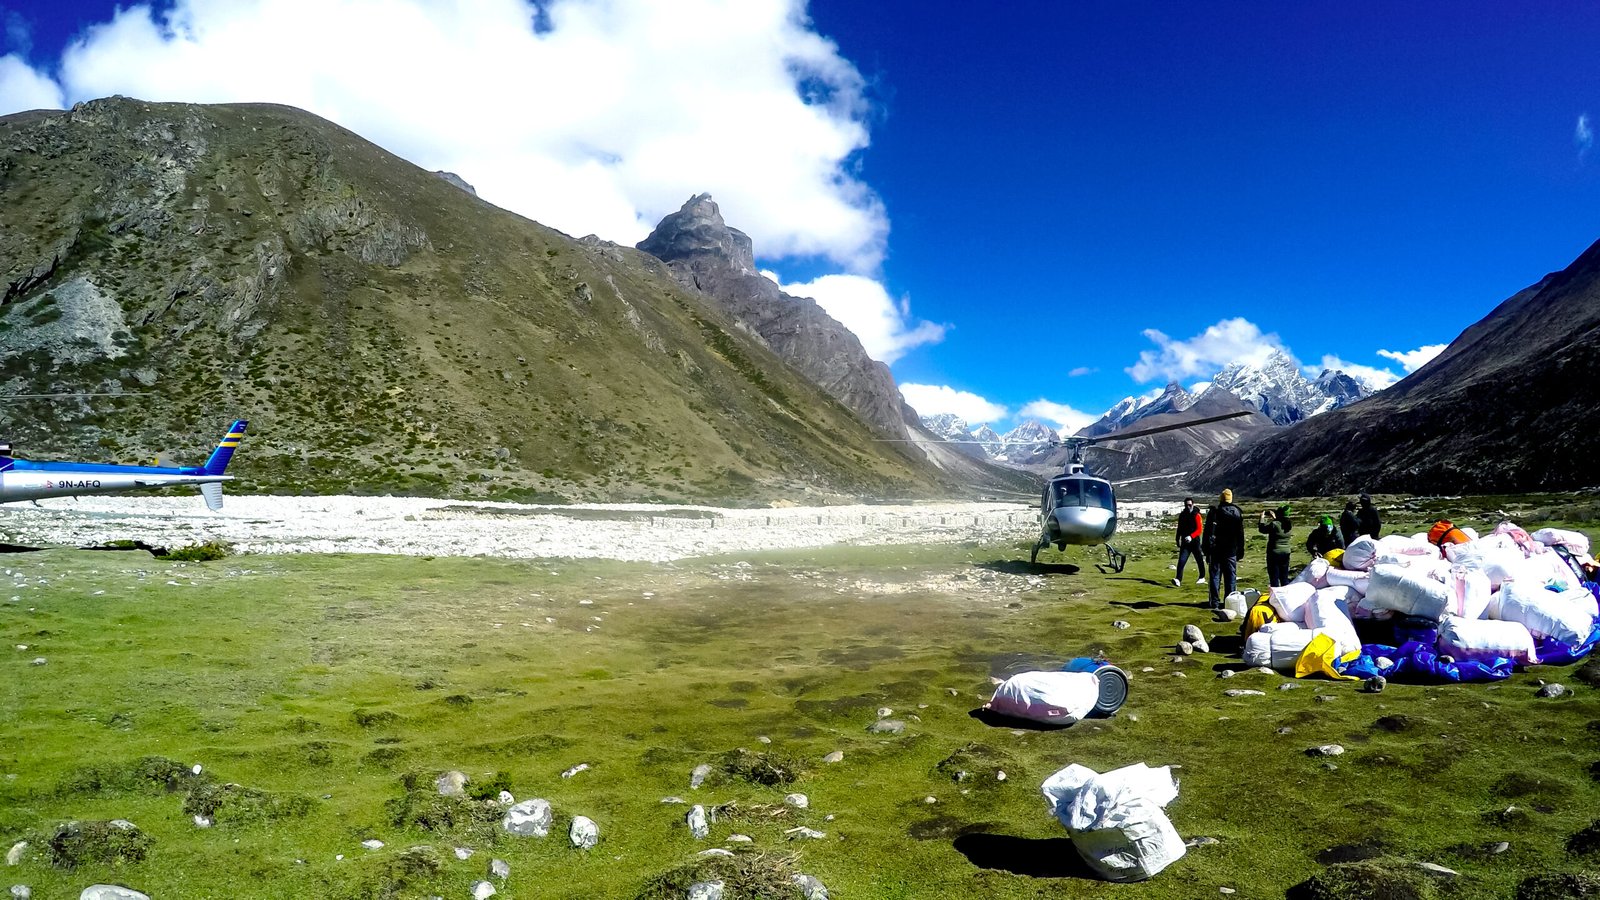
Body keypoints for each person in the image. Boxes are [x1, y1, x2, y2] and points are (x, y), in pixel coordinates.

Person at [1202, 488, 1245, 609]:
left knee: (1215, 577)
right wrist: (1241, 549)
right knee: (1230, 577)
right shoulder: (1237, 512)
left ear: (1221, 498)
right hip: (1231, 550)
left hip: (1215, 550)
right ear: (1231, 499)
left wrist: (1205, 550)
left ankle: (1214, 602)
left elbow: (1207, 533)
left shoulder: (1214, 512)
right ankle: (1229, 602)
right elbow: (1240, 534)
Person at [1173, 497, 1205, 587]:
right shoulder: (1182, 515)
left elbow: (1199, 529)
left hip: (1195, 542)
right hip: (1185, 542)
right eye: (1186, 505)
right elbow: (1179, 528)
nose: (1188, 507)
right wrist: (1177, 539)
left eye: (1189, 505)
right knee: (1181, 561)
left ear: (1193, 505)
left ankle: (1202, 576)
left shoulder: (1197, 515)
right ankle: (1178, 579)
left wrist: (1191, 536)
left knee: (1199, 559)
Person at [1259, 504, 1293, 587]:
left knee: (1274, 577)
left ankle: (1275, 596)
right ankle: (1285, 595)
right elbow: (1280, 524)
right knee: (1284, 577)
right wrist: (1275, 518)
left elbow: (1262, 529)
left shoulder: (1274, 524)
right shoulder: (1289, 525)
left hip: (1274, 553)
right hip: (1286, 552)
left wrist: (1262, 518)